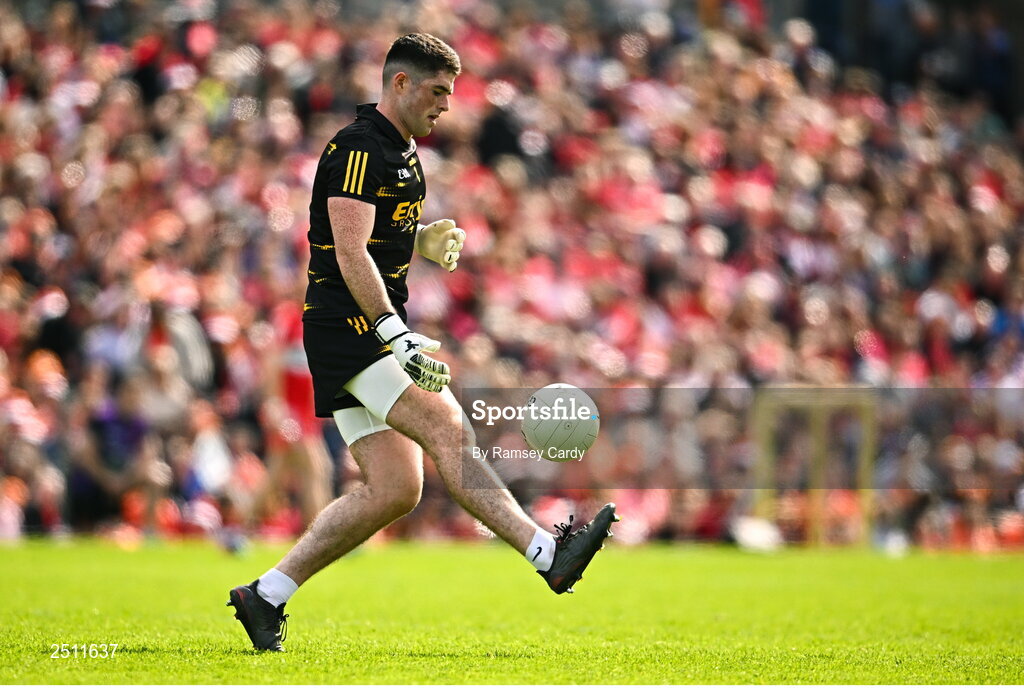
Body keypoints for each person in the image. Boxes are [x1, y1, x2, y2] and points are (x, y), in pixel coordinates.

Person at [226, 33, 619, 653]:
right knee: (446, 426)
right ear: (401, 83)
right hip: (349, 327)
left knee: (397, 490)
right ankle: (548, 554)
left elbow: (376, 239)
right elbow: (348, 250)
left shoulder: (403, 150)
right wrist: (392, 332)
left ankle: (266, 594)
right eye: (437, 92)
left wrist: (423, 243)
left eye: (450, 94)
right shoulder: (360, 146)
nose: (445, 106)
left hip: (356, 327)